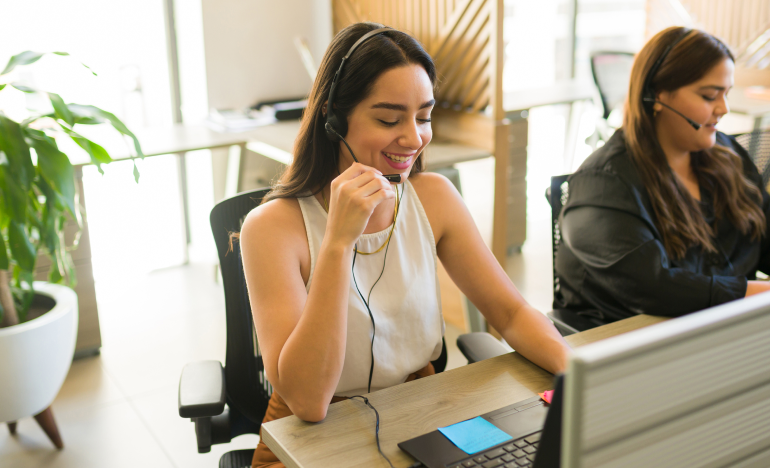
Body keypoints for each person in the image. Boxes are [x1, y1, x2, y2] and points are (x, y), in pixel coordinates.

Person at [239, 22, 571, 467]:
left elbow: (510, 313)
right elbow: (308, 402)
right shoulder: (271, 228)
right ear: (334, 119)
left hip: (417, 412)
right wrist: (337, 244)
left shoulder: (433, 197)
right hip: (312, 440)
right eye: (389, 119)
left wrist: (581, 380)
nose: (414, 138)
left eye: (424, 117)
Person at [555, 26, 770, 323]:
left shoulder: (728, 156)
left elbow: (764, 233)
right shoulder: (603, 184)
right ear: (656, 95)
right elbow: (655, 287)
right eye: (709, 96)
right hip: (632, 341)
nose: (724, 108)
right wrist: (753, 293)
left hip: (724, 329)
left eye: (726, 94)